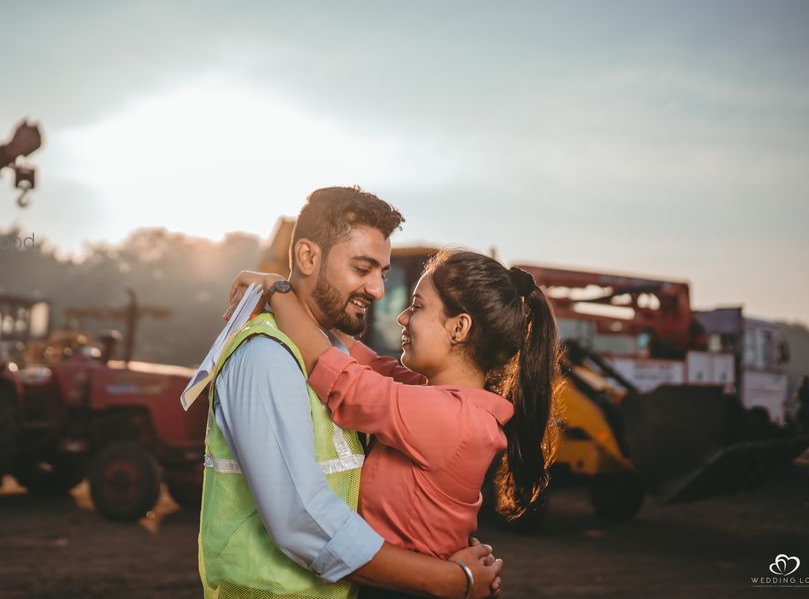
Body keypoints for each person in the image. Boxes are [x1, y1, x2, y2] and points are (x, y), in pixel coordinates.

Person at [199, 187, 502, 599]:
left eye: (383, 274)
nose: (378, 291)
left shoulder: (348, 362)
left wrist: (277, 289)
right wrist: (450, 578)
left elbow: (349, 369)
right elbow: (301, 520)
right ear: (307, 258)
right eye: (363, 268)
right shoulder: (267, 356)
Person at [230, 249, 559, 599]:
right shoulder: (434, 397)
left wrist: (277, 291)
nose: (402, 318)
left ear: (459, 328)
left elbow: (344, 380)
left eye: (417, 307)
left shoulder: (450, 418)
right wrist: (305, 299)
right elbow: (362, 359)